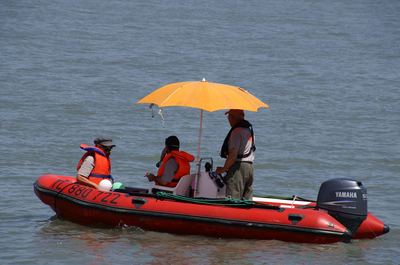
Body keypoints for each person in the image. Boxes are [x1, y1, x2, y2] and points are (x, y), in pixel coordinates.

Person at [216, 109, 256, 200]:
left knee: (233, 197)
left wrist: (223, 169)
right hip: (250, 167)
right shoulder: (249, 130)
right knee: (247, 198)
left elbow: (233, 154)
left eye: (229, 117)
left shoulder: (236, 132)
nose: (229, 119)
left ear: (233, 118)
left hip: (238, 167)